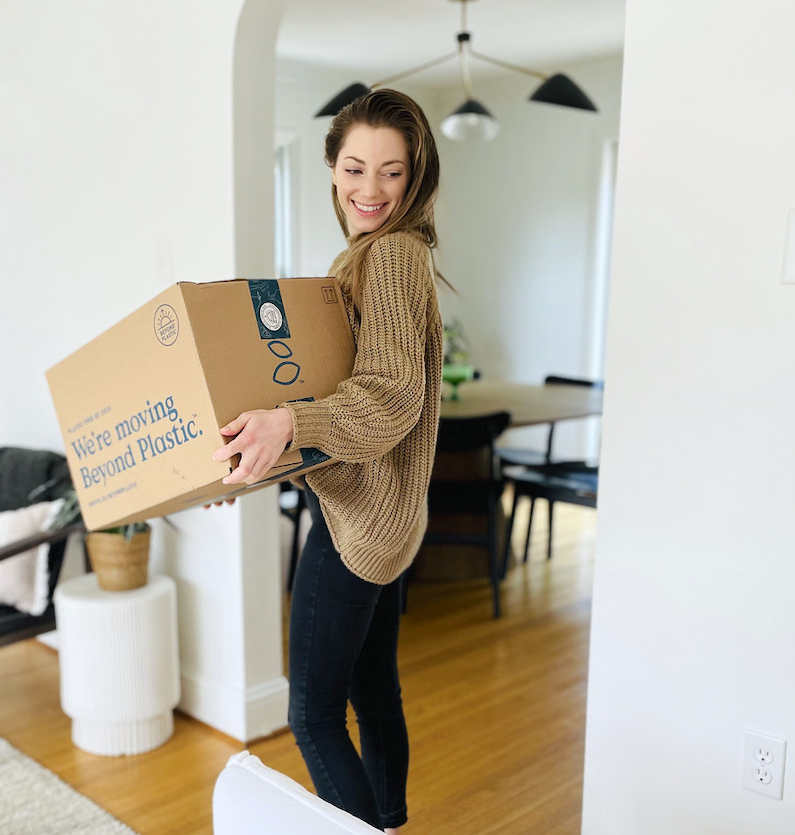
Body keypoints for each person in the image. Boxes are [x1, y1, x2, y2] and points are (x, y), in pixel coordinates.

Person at [211, 89, 445, 833]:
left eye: (391, 173)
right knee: (372, 691)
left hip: (359, 529)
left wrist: (287, 420)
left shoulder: (394, 257)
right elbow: (342, 409)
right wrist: (265, 451)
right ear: (332, 169)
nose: (369, 190)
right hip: (386, 520)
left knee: (310, 715)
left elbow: (386, 401)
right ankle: (389, 822)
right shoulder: (373, 259)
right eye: (354, 168)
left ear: (416, 179)